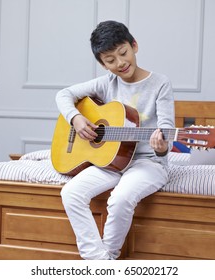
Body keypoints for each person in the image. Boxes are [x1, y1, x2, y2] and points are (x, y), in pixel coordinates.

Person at [56, 20, 175, 260]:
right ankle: (102, 263)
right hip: (111, 163)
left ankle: (104, 261)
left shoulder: (160, 83)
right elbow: (64, 94)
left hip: (148, 163)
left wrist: (162, 148)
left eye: (123, 53)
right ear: (102, 64)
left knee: (120, 199)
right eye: (110, 60)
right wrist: (76, 119)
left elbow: (167, 131)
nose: (120, 63)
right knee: (70, 193)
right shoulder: (105, 84)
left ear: (134, 46)